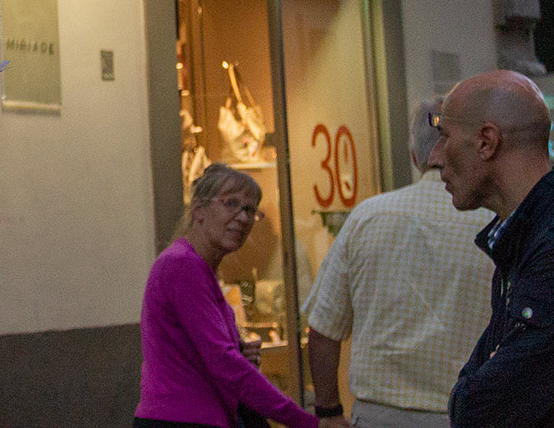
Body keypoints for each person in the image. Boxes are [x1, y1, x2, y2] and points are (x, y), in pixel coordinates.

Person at [304, 99, 493, 428]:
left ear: (415, 157)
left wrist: (329, 412)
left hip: (379, 416)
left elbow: (322, 330)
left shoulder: (368, 216)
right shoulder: (497, 223)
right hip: (470, 414)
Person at [135, 163, 322, 428]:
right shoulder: (183, 266)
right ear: (199, 210)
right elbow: (224, 364)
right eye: (231, 204)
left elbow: (201, 355)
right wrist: (304, 421)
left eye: (249, 209)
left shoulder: (197, 267)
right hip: (183, 418)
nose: (243, 217)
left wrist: (240, 352)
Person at [428, 69, 554, 428]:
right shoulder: (522, 238)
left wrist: (474, 389)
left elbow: (480, 407)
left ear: (487, 141)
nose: (435, 157)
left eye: (444, 136)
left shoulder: (545, 244)